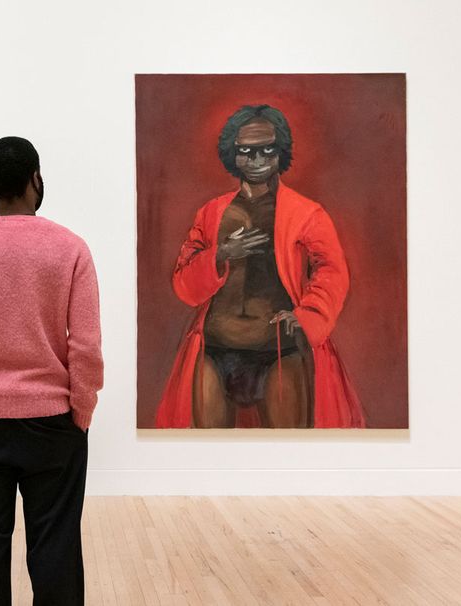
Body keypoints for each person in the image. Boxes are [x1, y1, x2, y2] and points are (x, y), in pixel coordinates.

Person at [0, 136, 103, 605]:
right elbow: (86, 347)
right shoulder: (71, 249)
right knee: (56, 551)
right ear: (35, 179)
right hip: (54, 423)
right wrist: (81, 410)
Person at [154, 105, 364, 428]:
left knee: (288, 457)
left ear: (280, 153)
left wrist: (307, 315)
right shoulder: (211, 213)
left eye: (268, 149)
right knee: (209, 459)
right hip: (215, 349)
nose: (257, 159)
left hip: (279, 351)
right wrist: (221, 253)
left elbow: (332, 270)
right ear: (232, 154)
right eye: (246, 151)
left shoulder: (306, 213)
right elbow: (182, 282)